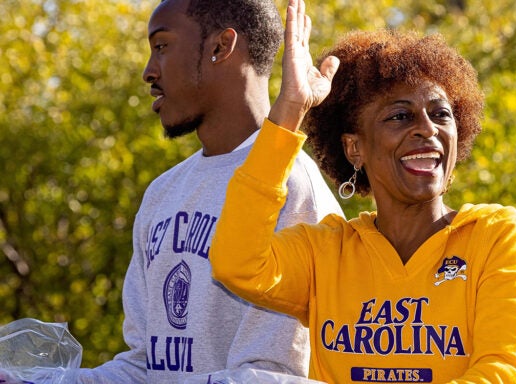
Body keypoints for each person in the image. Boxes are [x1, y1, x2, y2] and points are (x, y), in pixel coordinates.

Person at [210, 0, 516, 382]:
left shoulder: (498, 238)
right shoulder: (326, 252)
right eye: (400, 116)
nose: (427, 128)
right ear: (354, 147)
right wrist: (290, 110)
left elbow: (506, 373)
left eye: (441, 114)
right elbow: (237, 263)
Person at [69, 0, 343, 382]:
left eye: (162, 46)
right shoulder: (162, 193)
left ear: (220, 47)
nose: (149, 71)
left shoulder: (296, 187)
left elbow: (279, 375)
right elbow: (144, 368)